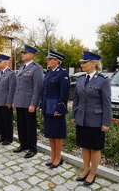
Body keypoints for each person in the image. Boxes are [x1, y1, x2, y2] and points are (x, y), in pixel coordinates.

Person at [71, 51, 112, 186]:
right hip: (81, 118)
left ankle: (93, 173)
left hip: (96, 119)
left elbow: (106, 103)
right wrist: (74, 115)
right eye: (82, 62)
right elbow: (76, 99)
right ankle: (86, 170)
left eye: (85, 62)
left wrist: (106, 122)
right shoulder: (81, 79)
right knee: (84, 146)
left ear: (94, 64)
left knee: (94, 148)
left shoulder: (103, 80)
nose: (82, 64)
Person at [40, 49, 70, 168]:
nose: (47, 61)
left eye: (50, 59)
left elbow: (64, 93)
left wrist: (60, 108)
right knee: (50, 133)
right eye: (48, 59)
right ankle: (53, 156)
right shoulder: (48, 73)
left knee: (57, 134)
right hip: (47, 107)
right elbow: (44, 92)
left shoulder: (62, 73)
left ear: (57, 61)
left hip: (57, 108)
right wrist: (42, 106)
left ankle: (58, 157)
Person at [13, 45, 43, 159]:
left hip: (29, 102)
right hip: (20, 101)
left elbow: (37, 87)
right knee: (21, 124)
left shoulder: (37, 68)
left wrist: (33, 104)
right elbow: (18, 86)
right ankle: (23, 144)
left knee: (30, 126)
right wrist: (15, 100)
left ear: (31, 55)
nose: (22, 55)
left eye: (24, 53)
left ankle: (32, 148)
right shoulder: (21, 68)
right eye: (22, 53)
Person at [0, 54, 17, 146]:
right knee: (0, 120)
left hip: (6, 101)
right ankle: (2, 136)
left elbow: (12, 89)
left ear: (5, 62)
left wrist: (10, 101)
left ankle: (8, 138)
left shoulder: (11, 73)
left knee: (7, 121)